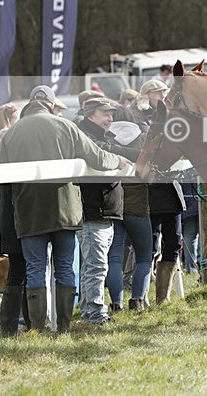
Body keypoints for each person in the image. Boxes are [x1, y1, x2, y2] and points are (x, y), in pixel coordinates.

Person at [0, 85, 130, 333]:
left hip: (29, 212)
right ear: (51, 105)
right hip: (65, 210)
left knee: (36, 267)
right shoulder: (66, 126)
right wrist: (118, 160)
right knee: (65, 266)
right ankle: (63, 327)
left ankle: (38, 328)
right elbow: (97, 157)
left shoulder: (12, 132)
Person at [77, 98, 140, 323]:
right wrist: (135, 155)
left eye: (112, 114)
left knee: (96, 264)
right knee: (96, 265)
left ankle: (90, 310)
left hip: (105, 209)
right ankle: (94, 314)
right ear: (91, 114)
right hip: (95, 209)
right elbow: (102, 151)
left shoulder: (103, 135)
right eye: (105, 114)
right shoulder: (86, 135)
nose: (110, 119)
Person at [105, 107, 152, 310]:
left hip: (113, 205)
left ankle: (116, 303)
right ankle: (137, 299)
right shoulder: (143, 139)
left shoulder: (106, 138)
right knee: (144, 256)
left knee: (114, 258)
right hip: (139, 206)